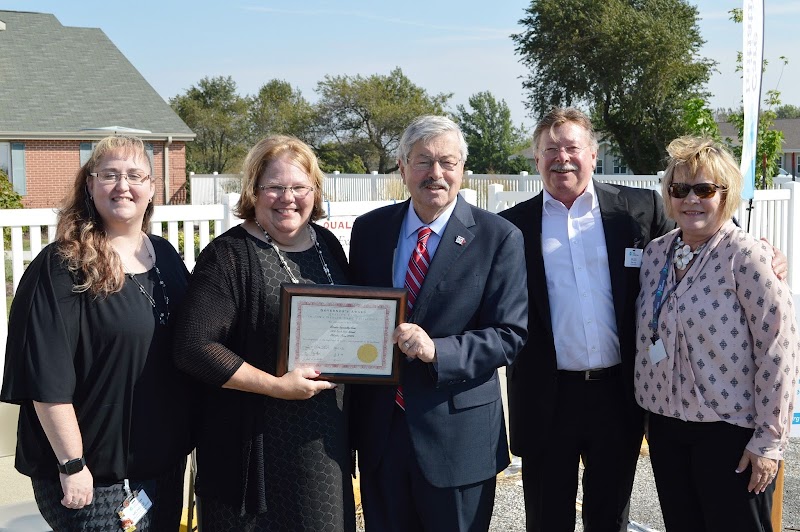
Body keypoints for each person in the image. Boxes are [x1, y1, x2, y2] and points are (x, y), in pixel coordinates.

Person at [1, 135, 193, 530]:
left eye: (135, 175)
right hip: (94, 480)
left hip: (162, 468)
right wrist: (72, 464)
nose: (123, 186)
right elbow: (46, 378)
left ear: (151, 189)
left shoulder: (166, 256)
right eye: (109, 175)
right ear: (90, 185)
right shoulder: (62, 266)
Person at [349, 115, 528, 531]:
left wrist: (438, 351)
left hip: (458, 439)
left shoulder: (498, 237)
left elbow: (510, 334)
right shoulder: (370, 231)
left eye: (447, 162)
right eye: (423, 161)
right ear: (402, 167)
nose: (436, 174)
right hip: (382, 435)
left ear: (462, 169)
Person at [499, 107, 672, 532]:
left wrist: (762, 253)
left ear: (593, 154)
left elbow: (696, 243)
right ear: (536, 160)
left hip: (619, 394)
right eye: (549, 150)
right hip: (546, 398)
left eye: (572, 147)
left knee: (609, 517)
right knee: (546, 519)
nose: (562, 158)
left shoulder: (638, 209)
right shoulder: (511, 227)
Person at [173, 135, 355, 531]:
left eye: (299, 187)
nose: (287, 197)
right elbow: (193, 347)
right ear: (253, 192)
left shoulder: (326, 245)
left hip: (323, 439)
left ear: (315, 191)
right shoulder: (229, 256)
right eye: (274, 187)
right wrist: (276, 386)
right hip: (252, 447)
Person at [634, 136, 799, 531]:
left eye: (704, 189)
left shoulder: (747, 256)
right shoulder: (656, 253)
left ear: (725, 195)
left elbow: (779, 349)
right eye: (680, 189)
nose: (691, 199)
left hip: (731, 433)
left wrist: (769, 442)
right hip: (666, 427)